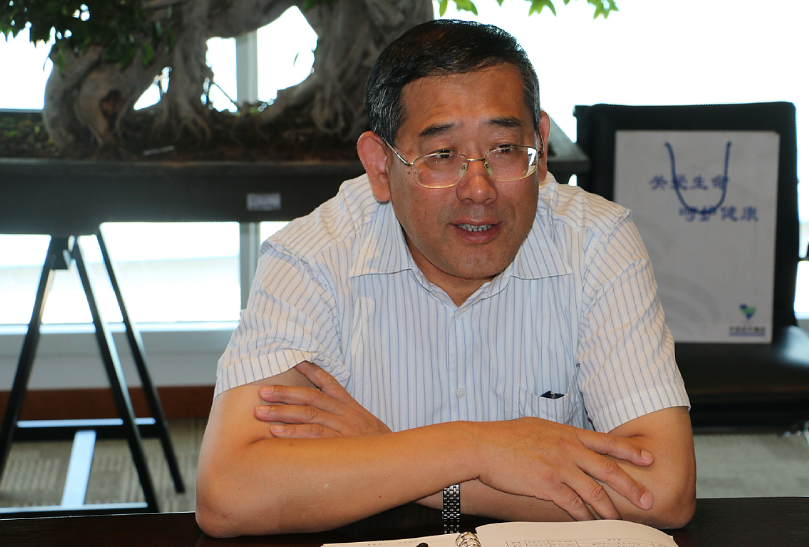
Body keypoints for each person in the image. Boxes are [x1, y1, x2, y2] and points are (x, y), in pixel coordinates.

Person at [195, 19, 696, 538]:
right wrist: (477, 449)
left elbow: (663, 488)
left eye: (504, 149)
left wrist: (386, 450)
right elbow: (231, 493)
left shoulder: (595, 242)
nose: (478, 188)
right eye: (441, 155)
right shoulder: (312, 257)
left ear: (541, 147)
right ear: (380, 166)